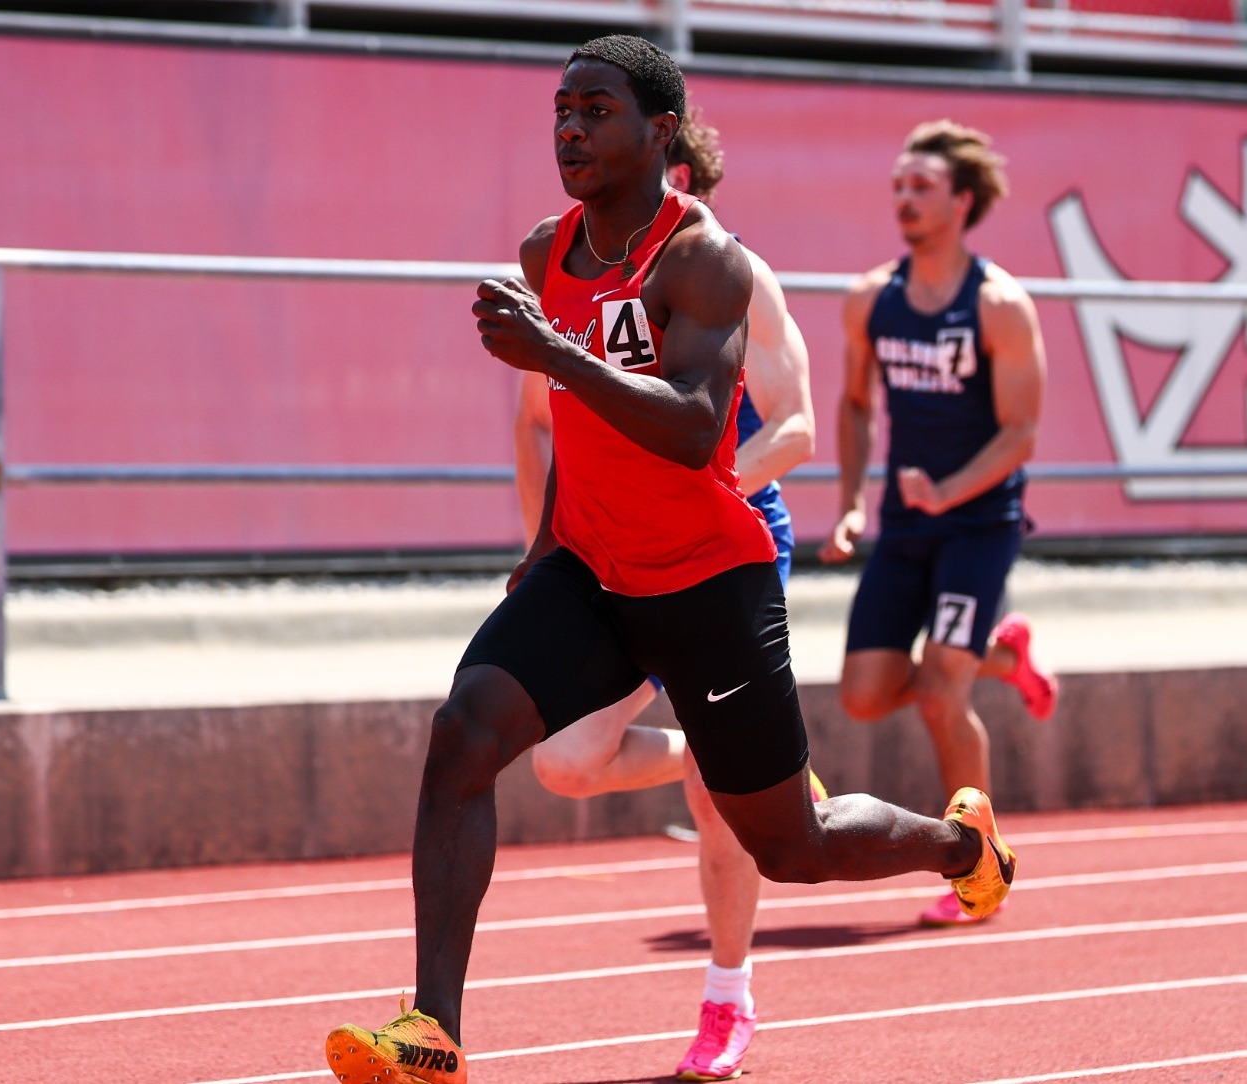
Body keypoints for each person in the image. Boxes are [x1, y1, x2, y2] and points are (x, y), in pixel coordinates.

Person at [322, 37, 1015, 1084]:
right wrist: (545, 547)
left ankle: (963, 847)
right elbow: (569, 422)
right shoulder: (546, 251)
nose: (570, 128)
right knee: (465, 733)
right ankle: (433, 1031)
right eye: (560, 109)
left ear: (661, 132)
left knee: (796, 846)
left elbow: (698, 429)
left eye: (596, 109)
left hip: (705, 582)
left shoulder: (705, 260)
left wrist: (556, 350)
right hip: (593, 569)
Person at [514, 105, 817, 1082]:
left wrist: (711, 482)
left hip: (723, 553)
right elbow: (541, 421)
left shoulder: (735, 272)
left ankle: (727, 999)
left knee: (724, 811)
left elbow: (800, 426)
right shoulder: (574, 271)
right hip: (612, 558)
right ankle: (726, 756)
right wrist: (548, 544)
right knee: (564, 762)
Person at [819, 119, 1058, 929]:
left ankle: (977, 866)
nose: (905, 200)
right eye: (897, 187)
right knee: (863, 694)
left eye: (921, 187)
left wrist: (948, 489)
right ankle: (1003, 654)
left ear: (961, 202)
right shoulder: (872, 299)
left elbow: (1022, 431)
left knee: (939, 695)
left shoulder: (998, 305)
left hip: (979, 524)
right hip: (904, 524)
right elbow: (854, 405)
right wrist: (853, 502)